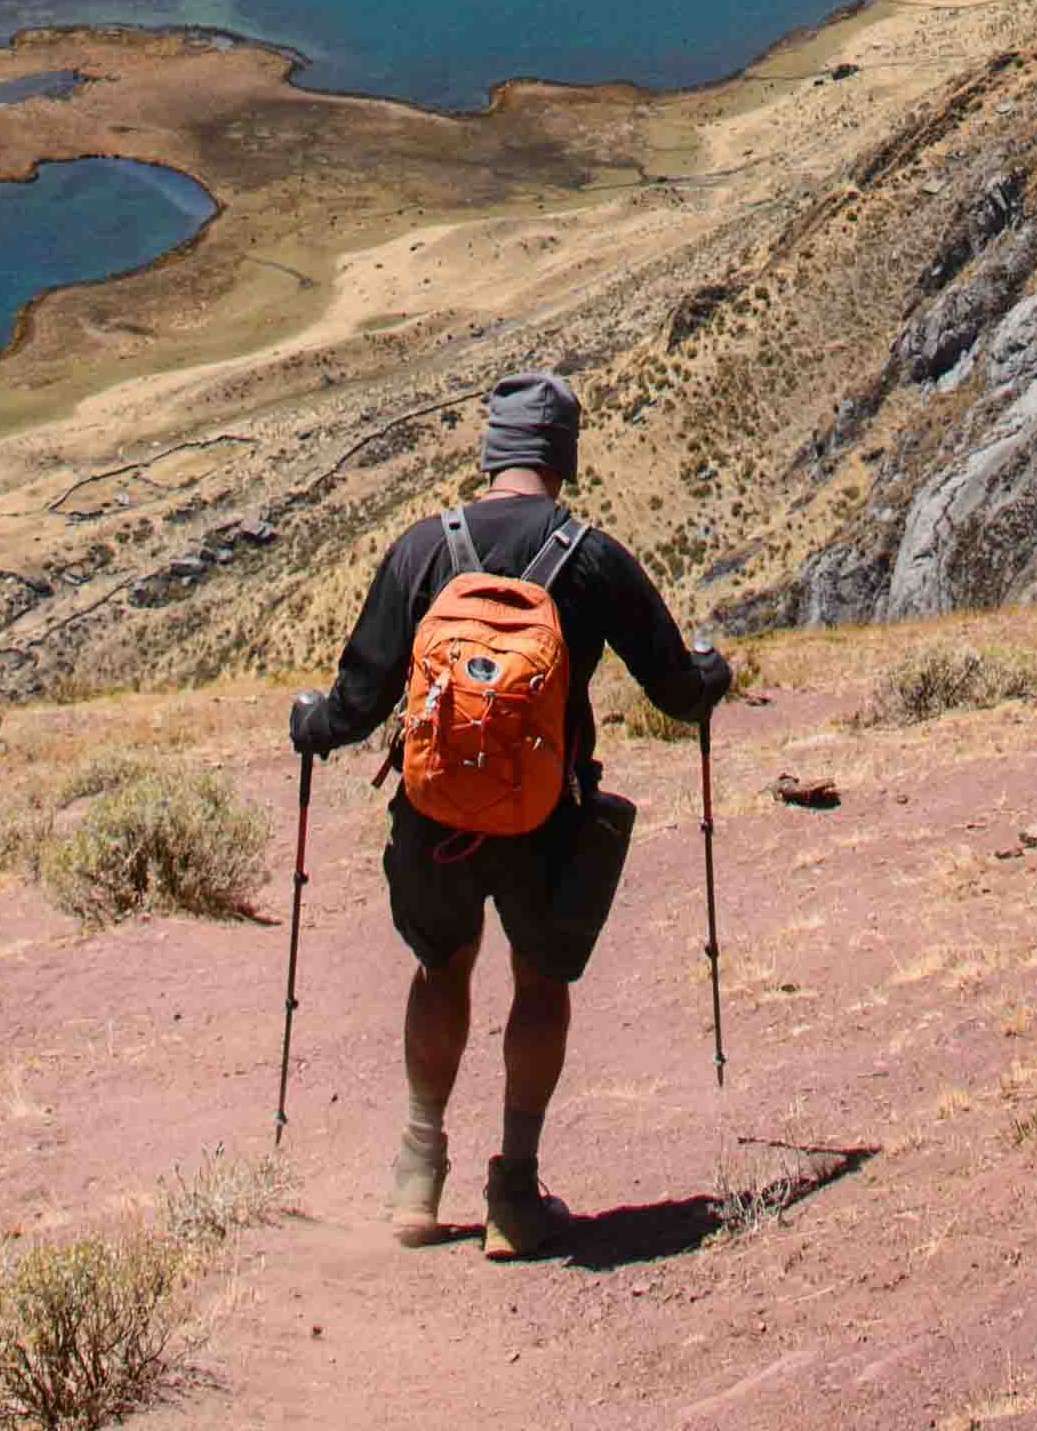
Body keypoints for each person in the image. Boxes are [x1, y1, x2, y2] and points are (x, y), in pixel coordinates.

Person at [289, 368, 731, 1258]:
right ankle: (514, 1197)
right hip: (548, 820)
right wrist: (712, 672)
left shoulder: (423, 548)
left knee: (441, 970)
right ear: (564, 455)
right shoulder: (592, 558)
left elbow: (359, 700)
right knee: (539, 984)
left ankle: (417, 1178)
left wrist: (311, 723)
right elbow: (678, 692)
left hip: (434, 821)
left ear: (490, 452)